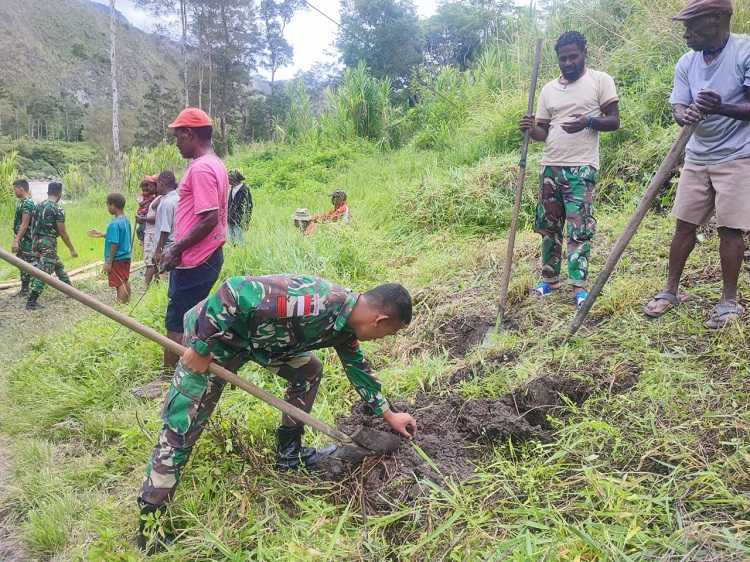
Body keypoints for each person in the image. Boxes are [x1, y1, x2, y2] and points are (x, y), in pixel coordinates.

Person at [136, 275, 417, 550]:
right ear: (380, 321)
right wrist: (200, 347)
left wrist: (389, 414)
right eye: (389, 333)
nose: (383, 339)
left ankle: (289, 456)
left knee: (309, 371)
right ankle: (151, 521)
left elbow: (358, 368)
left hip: (262, 344)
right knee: (182, 426)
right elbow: (233, 292)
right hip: (215, 336)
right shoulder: (314, 300)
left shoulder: (346, 327)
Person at [644, 0, 750, 329]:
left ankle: (728, 301)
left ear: (717, 19)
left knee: (730, 229)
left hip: (737, 154)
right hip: (697, 154)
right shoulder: (686, 62)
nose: (686, 34)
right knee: (684, 224)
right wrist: (684, 113)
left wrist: (721, 107)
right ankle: (669, 291)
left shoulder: (745, 50)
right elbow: (678, 106)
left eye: (693, 26)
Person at [519, 31, 620, 308]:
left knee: (579, 228)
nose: (568, 62)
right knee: (549, 227)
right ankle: (549, 280)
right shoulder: (549, 89)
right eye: (563, 58)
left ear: (584, 53)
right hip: (550, 167)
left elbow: (613, 121)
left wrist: (588, 121)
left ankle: (579, 286)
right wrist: (531, 129)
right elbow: (542, 133)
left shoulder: (600, 81)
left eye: (573, 56)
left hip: (581, 168)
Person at [159, 108, 229, 375]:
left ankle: (170, 379)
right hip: (205, 255)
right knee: (194, 318)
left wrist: (176, 248)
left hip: (197, 259)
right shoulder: (215, 164)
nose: (176, 143)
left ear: (189, 134)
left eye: (178, 137)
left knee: (177, 320)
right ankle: (192, 369)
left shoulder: (201, 169)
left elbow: (209, 218)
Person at [26, 182, 77, 310]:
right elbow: (62, 232)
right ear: (59, 194)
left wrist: (34, 244)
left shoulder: (38, 206)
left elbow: (32, 226)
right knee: (45, 272)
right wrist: (71, 249)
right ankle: (31, 301)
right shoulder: (57, 209)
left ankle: (70, 290)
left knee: (57, 264)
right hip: (48, 243)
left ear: (48, 192)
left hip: (37, 241)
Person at [88, 193, 133, 304]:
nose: (107, 208)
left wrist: (109, 262)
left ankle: (120, 303)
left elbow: (115, 243)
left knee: (119, 282)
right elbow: (120, 237)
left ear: (112, 205)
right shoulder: (126, 220)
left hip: (117, 258)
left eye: (108, 205)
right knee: (125, 279)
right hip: (126, 256)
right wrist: (103, 234)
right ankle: (127, 301)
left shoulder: (114, 224)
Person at [11, 179, 35, 297]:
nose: (14, 191)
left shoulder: (28, 203)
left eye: (15, 189)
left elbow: (25, 224)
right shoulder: (21, 202)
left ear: (21, 189)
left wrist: (16, 240)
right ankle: (24, 289)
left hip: (27, 241)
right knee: (21, 263)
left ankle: (33, 290)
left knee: (28, 264)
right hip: (22, 239)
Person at [153, 170, 179, 270]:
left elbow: (165, 229)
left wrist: (158, 251)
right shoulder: (176, 198)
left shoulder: (167, 203)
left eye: (157, 184)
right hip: (176, 245)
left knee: (166, 278)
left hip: (167, 247)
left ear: (161, 183)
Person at [227, 169, 252, 243]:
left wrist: (246, 220)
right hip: (230, 219)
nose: (228, 180)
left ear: (234, 180)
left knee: (239, 241)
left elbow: (249, 206)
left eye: (229, 179)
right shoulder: (232, 189)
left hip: (239, 219)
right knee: (231, 240)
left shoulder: (244, 190)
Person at [135, 178, 157, 246]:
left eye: (147, 190)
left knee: (144, 227)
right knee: (139, 229)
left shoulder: (152, 196)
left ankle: (144, 240)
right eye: (143, 190)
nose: (145, 192)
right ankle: (142, 240)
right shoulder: (141, 196)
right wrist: (148, 200)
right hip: (142, 214)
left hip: (147, 215)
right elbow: (141, 203)